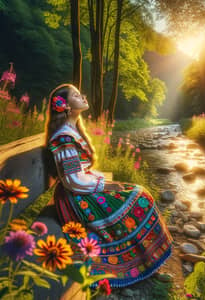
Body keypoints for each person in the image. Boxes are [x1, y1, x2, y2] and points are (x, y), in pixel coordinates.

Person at [44, 83, 174, 289]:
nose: (83, 97)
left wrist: (108, 183)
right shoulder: (63, 137)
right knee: (139, 197)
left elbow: (81, 173)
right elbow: (73, 180)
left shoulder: (72, 130)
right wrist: (106, 185)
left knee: (138, 193)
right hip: (76, 198)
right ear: (66, 107)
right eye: (77, 96)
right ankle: (138, 264)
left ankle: (147, 262)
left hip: (82, 190)